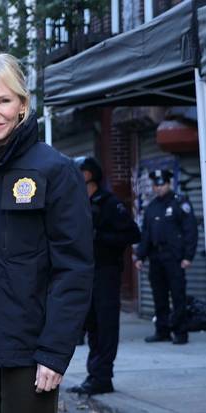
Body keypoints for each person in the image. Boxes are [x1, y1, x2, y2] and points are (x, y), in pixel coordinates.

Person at [0, 53, 93, 413]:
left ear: (23, 104)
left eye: (3, 101)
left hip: (28, 332)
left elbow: (73, 269)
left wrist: (55, 351)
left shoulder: (55, 170)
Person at [67, 157, 140, 395]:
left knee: (105, 325)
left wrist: (100, 237)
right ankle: (94, 374)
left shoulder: (109, 203)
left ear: (89, 175)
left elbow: (132, 234)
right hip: (86, 273)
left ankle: (103, 376)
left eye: (79, 172)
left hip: (106, 272)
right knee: (92, 325)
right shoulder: (78, 202)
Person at [134, 169, 197, 345]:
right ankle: (162, 331)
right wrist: (140, 256)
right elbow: (146, 234)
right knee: (159, 295)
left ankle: (180, 332)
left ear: (169, 184)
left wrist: (188, 256)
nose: (159, 188)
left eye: (162, 184)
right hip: (156, 257)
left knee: (177, 295)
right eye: (156, 185)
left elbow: (190, 231)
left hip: (174, 257)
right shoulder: (152, 206)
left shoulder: (180, 203)